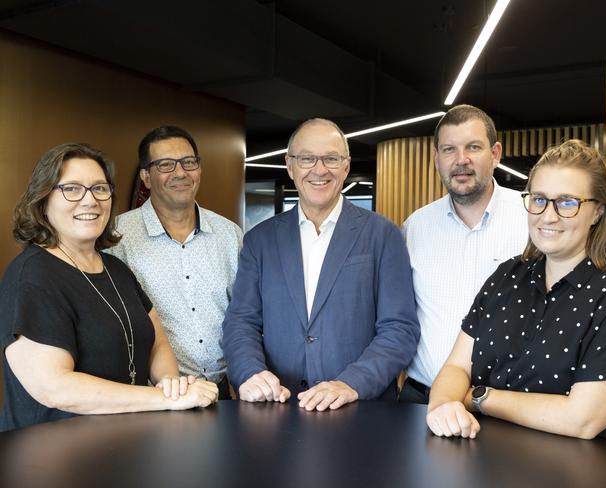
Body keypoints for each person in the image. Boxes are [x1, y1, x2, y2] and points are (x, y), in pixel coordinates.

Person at [426, 139, 606, 447]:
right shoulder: (507, 275)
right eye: (539, 199)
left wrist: (479, 397)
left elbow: (582, 419)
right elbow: (456, 366)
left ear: (597, 211)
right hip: (490, 467)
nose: (548, 215)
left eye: (568, 202)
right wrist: (444, 406)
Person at [0, 143, 218, 431]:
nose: (90, 201)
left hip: (122, 446)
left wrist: (172, 384)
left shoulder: (116, 269)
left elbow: (157, 340)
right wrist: (163, 398)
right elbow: (53, 386)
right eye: (72, 189)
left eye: (99, 189)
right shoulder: (33, 274)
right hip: (49, 459)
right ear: (43, 200)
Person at [223, 118, 420, 411]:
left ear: (346, 166)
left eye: (331, 158)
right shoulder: (259, 241)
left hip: (362, 411)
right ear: (290, 166)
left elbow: (399, 328)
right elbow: (241, 322)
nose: (319, 169)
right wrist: (251, 373)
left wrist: (353, 383)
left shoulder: (383, 235)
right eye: (307, 159)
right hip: (279, 407)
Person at [400, 105, 528, 403]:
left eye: (473, 147)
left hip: (509, 404)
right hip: (422, 399)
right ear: (436, 159)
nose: (461, 160)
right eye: (449, 149)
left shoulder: (532, 218)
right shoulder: (414, 227)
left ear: (495, 154)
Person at [106, 126, 242, 399]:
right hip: (155, 394)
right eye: (166, 165)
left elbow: (245, 314)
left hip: (222, 392)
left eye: (188, 162)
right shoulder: (116, 238)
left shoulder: (229, 234)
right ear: (146, 176)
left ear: (199, 169)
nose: (180, 173)